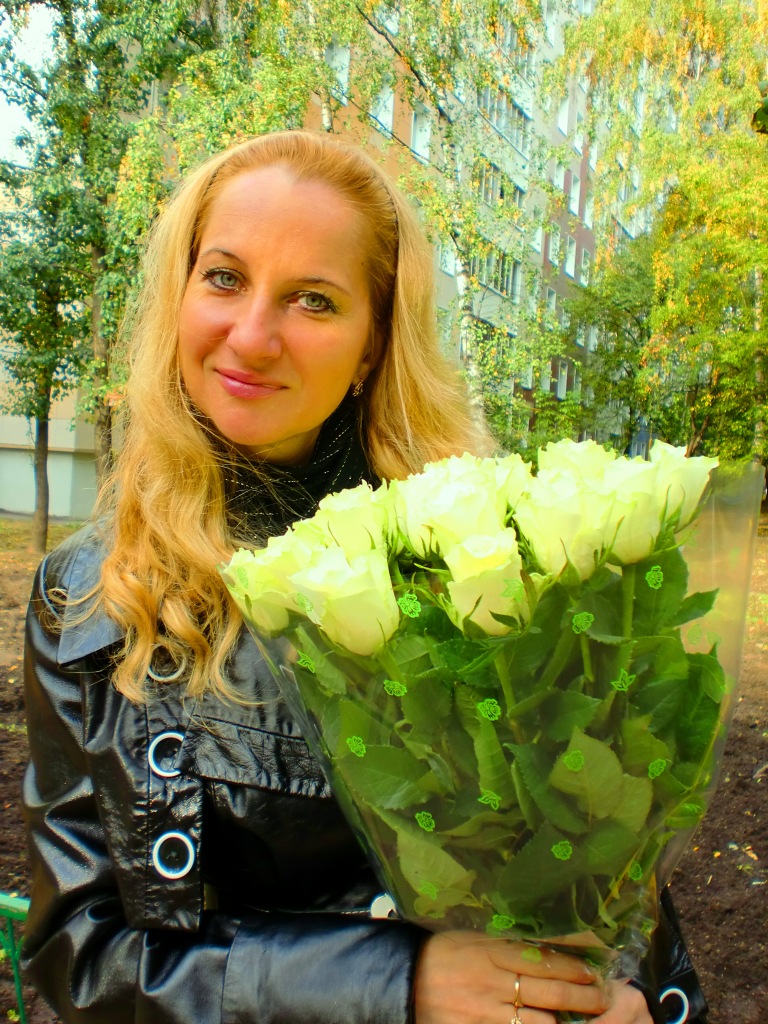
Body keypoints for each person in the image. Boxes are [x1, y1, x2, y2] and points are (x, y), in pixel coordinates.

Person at [22, 130, 706, 1024]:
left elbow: (603, 847)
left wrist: (632, 995)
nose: (251, 336)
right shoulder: (93, 595)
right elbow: (81, 957)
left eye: (313, 299)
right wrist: (396, 985)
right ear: (180, 294)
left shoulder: (488, 551)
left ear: (375, 344)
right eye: (223, 278)